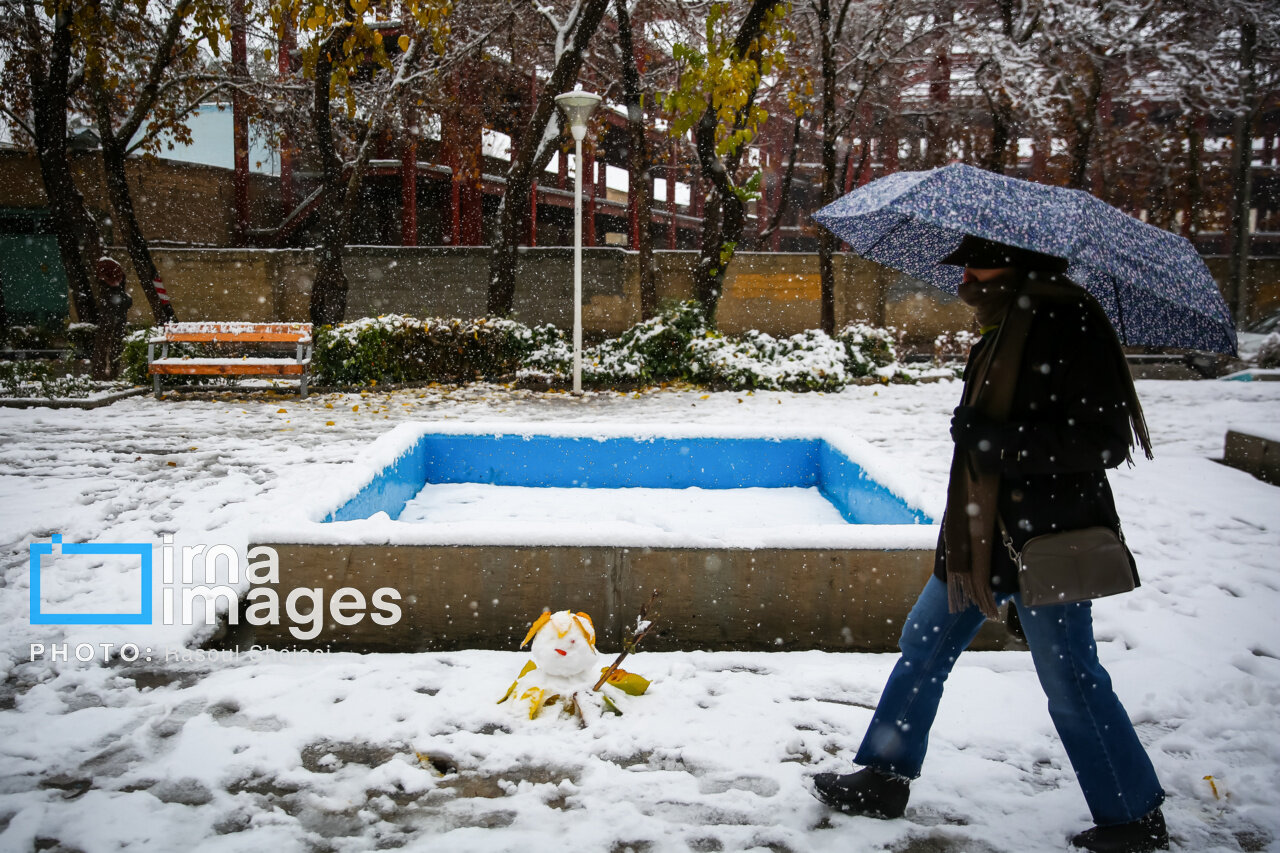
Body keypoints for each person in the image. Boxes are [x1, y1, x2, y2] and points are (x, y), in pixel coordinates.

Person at [812, 235, 1168, 853]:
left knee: (1069, 678)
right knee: (923, 645)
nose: (967, 279)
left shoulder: (1071, 322)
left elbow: (1105, 441)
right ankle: (884, 776)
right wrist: (983, 439)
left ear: (1022, 262)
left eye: (979, 266)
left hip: (1042, 538)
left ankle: (1133, 818)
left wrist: (1001, 442)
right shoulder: (1006, 322)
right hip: (978, 536)